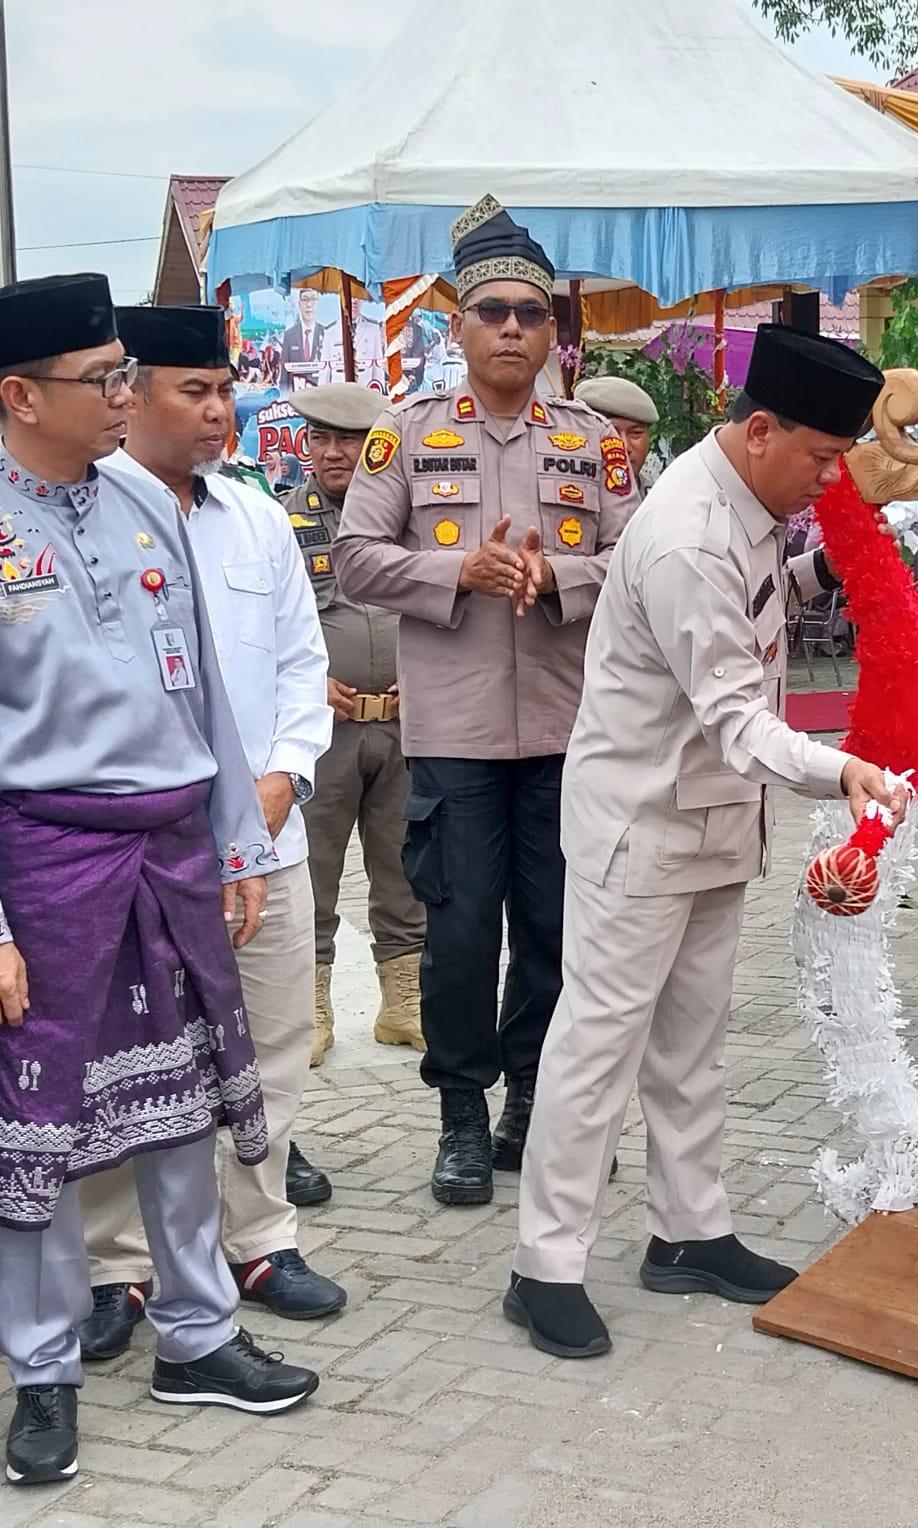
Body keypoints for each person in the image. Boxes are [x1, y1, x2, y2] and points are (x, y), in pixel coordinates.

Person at [505, 324, 908, 1360]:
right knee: (597, 1049)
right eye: (820, 457)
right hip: (642, 826)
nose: (828, 477)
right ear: (760, 428)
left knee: (691, 1049)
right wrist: (841, 769)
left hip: (714, 820)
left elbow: (766, 602)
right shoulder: (688, 529)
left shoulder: (751, 500)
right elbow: (736, 713)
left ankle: (688, 1232)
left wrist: (842, 560)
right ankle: (544, 1265)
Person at [0, 274, 318, 1487]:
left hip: (177, 850)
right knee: (41, 1126)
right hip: (47, 862)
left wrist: (236, 839)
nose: (124, 395)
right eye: (102, 381)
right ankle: (41, 1370)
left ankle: (198, 1331)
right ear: (20, 396)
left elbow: (207, 694)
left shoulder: (143, 500)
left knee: (180, 1103)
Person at [333, 197, 638, 1206]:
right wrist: (455, 574)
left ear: (554, 330)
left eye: (530, 312)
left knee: (554, 930)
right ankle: (460, 1117)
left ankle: (532, 1104)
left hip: (564, 732)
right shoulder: (407, 437)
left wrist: (560, 580)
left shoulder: (592, 443)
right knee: (460, 937)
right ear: (457, 324)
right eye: (492, 310)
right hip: (454, 738)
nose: (512, 327)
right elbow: (355, 558)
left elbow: (641, 564)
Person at [76, 304, 343, 1349]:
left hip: (265, 842)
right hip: (138, 851)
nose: (220, 410)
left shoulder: (255, 518)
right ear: (130, 395)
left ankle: (260, 1236)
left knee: (267, 1040)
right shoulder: (86, 522)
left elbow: (297, 669)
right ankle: (119, 1267)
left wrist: (280, 780)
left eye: (227, 389)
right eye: (196, 390)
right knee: (131, 1051)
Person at [285, 383, 426, 1068]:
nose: (334, 452)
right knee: (311, 868)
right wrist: (308, 685)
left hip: (405, 723)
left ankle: (404, 1005)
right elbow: (259, 634)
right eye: (321, 439)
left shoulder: (413, 521)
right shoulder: (279, 525)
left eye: (350, 440)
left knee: (407, 866)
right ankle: (307, 1006)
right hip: (320, 731)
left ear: (380, 447)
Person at [573, 375, 658, 483]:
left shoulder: (658, 495)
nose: (625, 447)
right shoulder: (567, 494)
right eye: (611, 433)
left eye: (636, 433)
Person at [279, 288, 325, 391]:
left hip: (321, 397)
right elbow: (284, 376)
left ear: (318, 304)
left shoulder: (326, 334)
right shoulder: (289, 335)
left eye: (313, 299)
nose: (309, 305)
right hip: (296, 396)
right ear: (299, 304)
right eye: (305, 300)